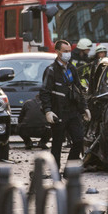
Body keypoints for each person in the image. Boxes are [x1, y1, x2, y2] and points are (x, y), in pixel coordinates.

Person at [39, 39, 91, 174]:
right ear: (57, 52)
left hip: (73, 112)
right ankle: (56, 173)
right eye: (65, 51)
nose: (68, 54)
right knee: (57, 144)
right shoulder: (51, 70)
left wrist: (84, 108)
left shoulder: (72, 68)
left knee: (79, 140)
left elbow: (78, 89)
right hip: (58, 112)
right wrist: (48, 111)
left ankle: (69, 171)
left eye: (69, 51)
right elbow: (44, 92)